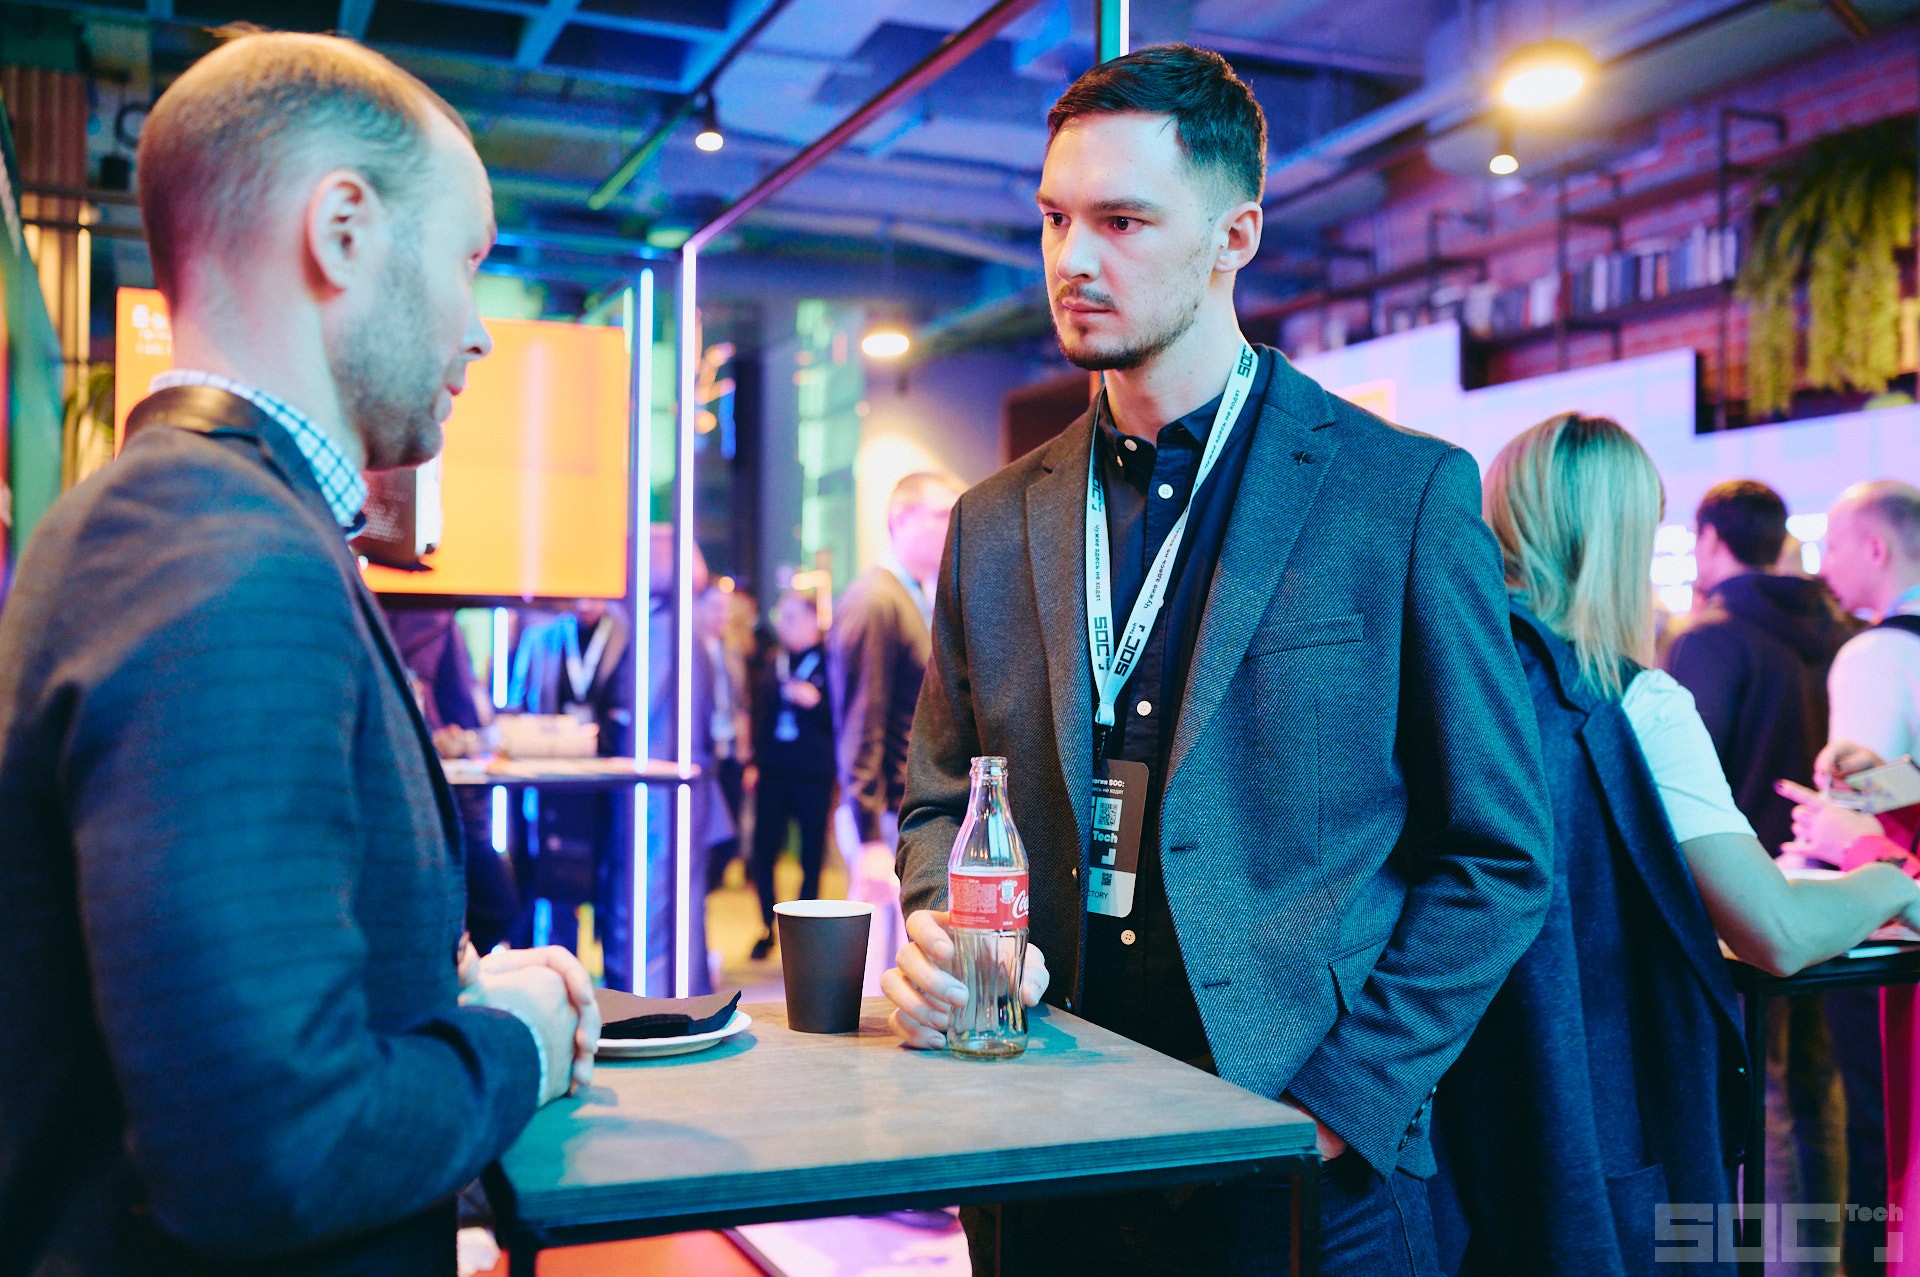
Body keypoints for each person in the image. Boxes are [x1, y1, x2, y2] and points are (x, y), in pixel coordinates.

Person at [880, 44, 1556, 1275]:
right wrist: (942, 926)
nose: (1073, 260)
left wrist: (1343, 1105)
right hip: (1043, 1139)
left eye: (1123, 221)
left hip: (1300, 1167)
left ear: (1236, 234)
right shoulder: (995, 520)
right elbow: (938, 794)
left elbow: (1499, 854)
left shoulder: (1395, 495)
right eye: (1055, 218)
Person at [0, 31, 598, 1272]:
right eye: (468, 261)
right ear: (343, 232)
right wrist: (520, 1042)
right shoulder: (225, 556)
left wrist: (441, 1002)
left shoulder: (184, 520)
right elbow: (272, 1150)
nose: (480, 331)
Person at [1430, 415, 1920, 1276]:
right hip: (1602, 1107)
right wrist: (1890, 879)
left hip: (1447, 1119)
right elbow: (1778, 930)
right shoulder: (1636, 703)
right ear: (1621, 538)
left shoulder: (1449, 679)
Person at [1663, 479, 1858, 1275]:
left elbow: (1679, 782)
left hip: (1735, 902)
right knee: (1816, 1085)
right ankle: (1825, 1261)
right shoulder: (1838, 630)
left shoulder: (1709, 638)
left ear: (1711, 540)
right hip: (1826, 891)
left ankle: (1776, 1265)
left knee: (1757, 1096)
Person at [830, 470, 963, 994]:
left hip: (899, 809)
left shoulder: (911, 596)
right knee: (876, 978)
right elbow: (861, 722)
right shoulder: (877, 600)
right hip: (883, 812)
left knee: (897, 963)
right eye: (941, 514)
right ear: (900, 519)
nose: (954, 526)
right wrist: (867, 834)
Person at [389, 606, 521, 952]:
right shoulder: (434, 619)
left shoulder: (432, 619)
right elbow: (464, 711)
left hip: (413, 789)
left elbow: (462, 713)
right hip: (430, 791)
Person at [747, 590, 836, 959]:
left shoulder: (830, 663)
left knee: (811, 853)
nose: (784, 626)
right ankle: (766, 925)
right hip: (773, 771)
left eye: (792, 618)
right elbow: (758, 713)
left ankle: (803, 929)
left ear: (813, 621)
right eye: (780, 618)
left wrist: (817, 702)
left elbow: (844, 716)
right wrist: (753, 760)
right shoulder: (774, 662)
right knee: (763, 850)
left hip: (813, 773)